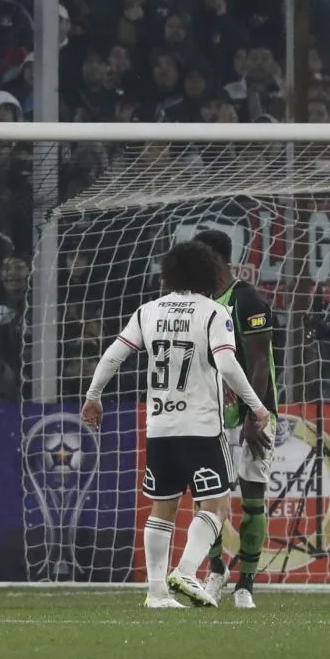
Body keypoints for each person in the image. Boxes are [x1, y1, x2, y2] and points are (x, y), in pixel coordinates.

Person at [80, 240, 272, 609]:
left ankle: (156, 593)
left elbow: (114, 354)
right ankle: (185, 571)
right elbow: (229, 364)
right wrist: (257, 407)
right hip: (200, 425)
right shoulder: (214, 312)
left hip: (160, 425)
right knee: (217, 506)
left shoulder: (148, 311)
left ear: (169, 275)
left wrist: (93, 396)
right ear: (210, 272)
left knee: (162, 507)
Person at [195, 229, 278, 610]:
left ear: (214, 258)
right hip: (213, 413)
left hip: (252, 415)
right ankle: (215, 570)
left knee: (252, 498)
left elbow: (260, 360)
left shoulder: (248, 301)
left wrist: (253, 415)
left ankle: (245, 584)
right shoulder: (201, 302)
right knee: (207, 496)